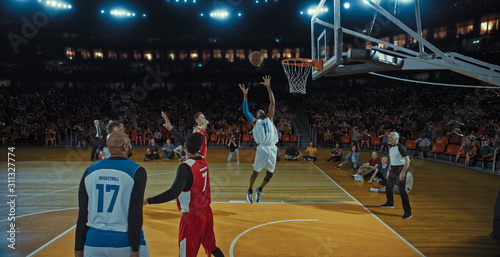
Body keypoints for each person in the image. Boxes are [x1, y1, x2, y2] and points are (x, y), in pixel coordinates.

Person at [143, 133, 224, 257]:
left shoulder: (185, 168)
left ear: (185, 145)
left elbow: (172, 193)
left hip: (192, 218)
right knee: (212, 247)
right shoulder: (203, 158)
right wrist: (171, 129)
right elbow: (187, 143)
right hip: (207, 213)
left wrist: (147, 201)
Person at [75, 132, 149, 257]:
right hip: (123, 240)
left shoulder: (89, 171)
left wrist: (78, 249)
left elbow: (83, 214)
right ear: (125, 147)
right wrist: (135, 249)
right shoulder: (137, 171)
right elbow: (135, 214)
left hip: (93, 241)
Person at [240, 75, 278, 204]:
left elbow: (272, 103)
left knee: (270, 175)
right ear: (256, 115)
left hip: (273, 148)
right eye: (258, 110)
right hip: (262, 148)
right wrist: (245, 95)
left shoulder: (270, 118)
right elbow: (245, 111)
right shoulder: (255, 122)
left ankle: (259, 189)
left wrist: (268, 87)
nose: (261, 110)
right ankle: (250, 190)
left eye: (262, 110)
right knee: (255, 172)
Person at [380, 132, 412, 220]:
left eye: (390, 137)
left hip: (400, 169)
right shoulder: (391, 148)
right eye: (389, 137)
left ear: (396, 138)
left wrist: (403, 172)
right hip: (393, 169)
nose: (388, 138)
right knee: (388, 186)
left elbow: (407, 161)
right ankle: (390, 203)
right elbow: (392, 160)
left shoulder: (401, 147)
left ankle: (408, 212)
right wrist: (388, 170)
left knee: (402, 191)